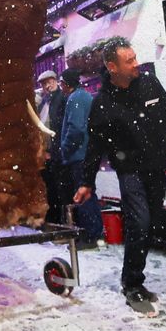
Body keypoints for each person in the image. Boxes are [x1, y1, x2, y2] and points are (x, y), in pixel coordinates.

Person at [77, 37, 166, 312]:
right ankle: (132, 284)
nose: (136, 64)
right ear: (112, 67)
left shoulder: (149, 84)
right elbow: (94, 147)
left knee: (152, 222)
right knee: (139, 224)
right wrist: (87, 181)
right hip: (130, 171)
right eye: (129, 60)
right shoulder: (102, 104)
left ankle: (137, 279)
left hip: (156, 167)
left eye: (135, 58)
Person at [56, 69, 104, 247]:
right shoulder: (84, 96)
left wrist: (65, 148)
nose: (61, 87)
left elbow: (75, 129)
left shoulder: (75, 99)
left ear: (67, 84)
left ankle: (90, 236)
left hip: (79, 155)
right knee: (88, 193)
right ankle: (95, 234)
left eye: (62, 83)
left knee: (84, 194)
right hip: (86, 153)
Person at [37, 70, 65, 224]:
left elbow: (60, 128)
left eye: (50, 82)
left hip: (56, 152)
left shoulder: (61, 99)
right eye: (44, 83)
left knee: (58, 189)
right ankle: (51, 220)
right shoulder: (44, 102)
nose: (47, 86)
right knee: (49, 189)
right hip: (45, 153)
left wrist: (53, 151)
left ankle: (59, 221)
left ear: (56, 81)